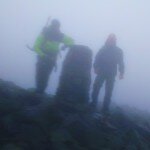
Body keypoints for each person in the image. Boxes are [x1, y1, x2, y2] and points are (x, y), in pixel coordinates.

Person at [34, 19, 74, 94]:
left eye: (57, 27)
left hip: (50, 58)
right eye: (56, 26)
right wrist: (43, 55)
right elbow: (36, 46)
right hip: (44, 57)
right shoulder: (45, 34)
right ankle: (39, 91)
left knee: (45, 75)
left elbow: (71, 41)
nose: (56, 28)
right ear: (52, 26)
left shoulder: (58, 35)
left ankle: (40, 91)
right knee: (41, 75)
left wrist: (65, 46)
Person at [91, 34, 125, 115]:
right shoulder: (103, 49)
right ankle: (93, 104)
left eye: (113, 40)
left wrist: (121, 72)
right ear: (107, 40)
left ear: (115, 41)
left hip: (111, 74)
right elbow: (97, 58)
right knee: (96, 87)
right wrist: (95, 67)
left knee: (108, 92)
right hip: (101, 72)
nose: (111, 41)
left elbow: (121, 62)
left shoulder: (118, 51)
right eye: (110, 39)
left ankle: (105, 109)